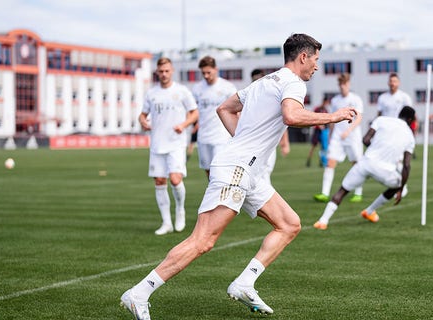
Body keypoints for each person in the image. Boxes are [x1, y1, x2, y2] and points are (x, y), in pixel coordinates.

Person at [120, 33, 358, 319]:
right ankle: (139, 293)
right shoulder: (293, 83)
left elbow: (225, 108)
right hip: (237, 168)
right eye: (316, 60)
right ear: (303, 57)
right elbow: (292, 116)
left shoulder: (264, 81)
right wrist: (334, 116)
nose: (317, 67)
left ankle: (245, 283)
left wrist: (243, 143)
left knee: (289, 224)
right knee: (203, 241)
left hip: (248, 170)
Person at [313, 107, 416, 230]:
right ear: (410, 119)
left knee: (342, 191)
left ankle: (322, 221)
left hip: (365, 163)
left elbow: (365, 139)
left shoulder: (382, 119)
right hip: (385, 171)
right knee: (398, 184)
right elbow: (406, 165)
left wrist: (375, 150)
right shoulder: (410, 137)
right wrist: (402, 188)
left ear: (399, 114)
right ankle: (370, 211)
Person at [138, 57, 199, 235]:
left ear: (171, 71)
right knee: (159, 181)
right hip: (157, 143)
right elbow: (142, 115)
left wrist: (184, 124)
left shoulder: (182, 91)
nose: (164, 74)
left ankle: (180, 211)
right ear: (157, 72)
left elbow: (194, 113)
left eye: (167, 71)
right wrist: (143, 122)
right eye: (161, 71)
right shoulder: (152, 93)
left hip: (176, 143)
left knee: (175, 179)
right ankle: (166, 223)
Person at [314, 73, 364, 203]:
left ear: (349, 84)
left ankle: (358, 193)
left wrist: (348, 131)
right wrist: (331, 136)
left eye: (345, 84)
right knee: (330, 163)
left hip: (352, 137)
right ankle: (324, 193)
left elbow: (359, 118)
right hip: (337, 137)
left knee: (357, 164)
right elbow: (332, 120)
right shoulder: (335, 100)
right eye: (340, 84)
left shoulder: (356, 99)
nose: (342, 87)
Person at [192, 56, 237, 177]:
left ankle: (222, 194)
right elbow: (193, 110)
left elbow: (237, 110)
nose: (206, 75)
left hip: (221, 137)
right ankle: (216, 195)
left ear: (215, 69)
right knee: (208, 172)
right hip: (203, 137)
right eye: (203, 73)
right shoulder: (197, 89)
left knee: (219, 171)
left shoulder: (227, 87)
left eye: (208, 72)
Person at [306, 97, 330, 167]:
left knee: (322, 147)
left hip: (323, 132)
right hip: (317, 130)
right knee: (313, 146)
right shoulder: (318, 109)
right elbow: (313, 118)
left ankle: (321, 162)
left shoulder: (326, 110)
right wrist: (319, 125)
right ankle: (308, 160)